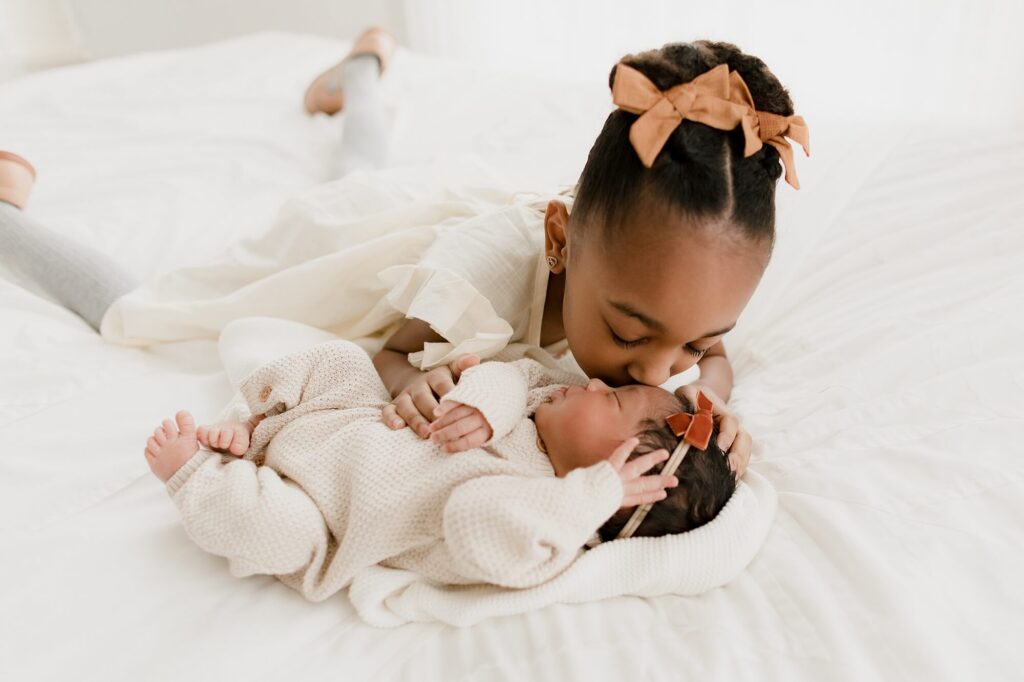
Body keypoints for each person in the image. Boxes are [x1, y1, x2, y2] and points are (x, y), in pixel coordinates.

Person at [0, 29, 811, 481]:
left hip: (471, 227)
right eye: (631, 336)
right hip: (381, 245)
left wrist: (711, 397)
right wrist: (413, 382)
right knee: (152, 311)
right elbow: (389, 354)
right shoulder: (485, 278)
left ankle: (359, 70)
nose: (652, 372)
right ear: (561, 243)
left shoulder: (670, 305)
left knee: (365, 161)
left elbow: (710, 355)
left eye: (687, 341)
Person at [143, 338, 736, 594]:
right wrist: (486, 407)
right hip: (352, 421)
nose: (598, 382)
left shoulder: (541, 534)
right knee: (342, 359)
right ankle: (249, 426)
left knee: (281, 536)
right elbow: (507, 370)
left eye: (610, 399)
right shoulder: (540, 403)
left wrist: (589, 497)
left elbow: (471, 517)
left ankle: (201, 473)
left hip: (322, 510)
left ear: (616, 477)